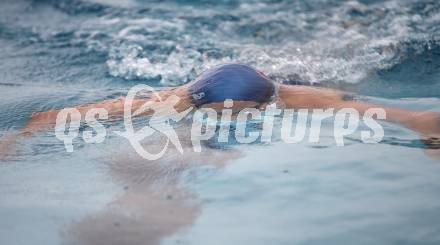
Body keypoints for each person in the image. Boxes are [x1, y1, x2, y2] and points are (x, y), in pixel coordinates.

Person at [23, 63, 439, 140]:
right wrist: (17, 139)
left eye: (234, 117)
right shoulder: (181, 100)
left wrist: (425, 128)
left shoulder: (299, 100)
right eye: (216, 115)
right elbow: (50, 117)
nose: (223, 123)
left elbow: (401, 115)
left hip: (307, 76)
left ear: (260, 107)